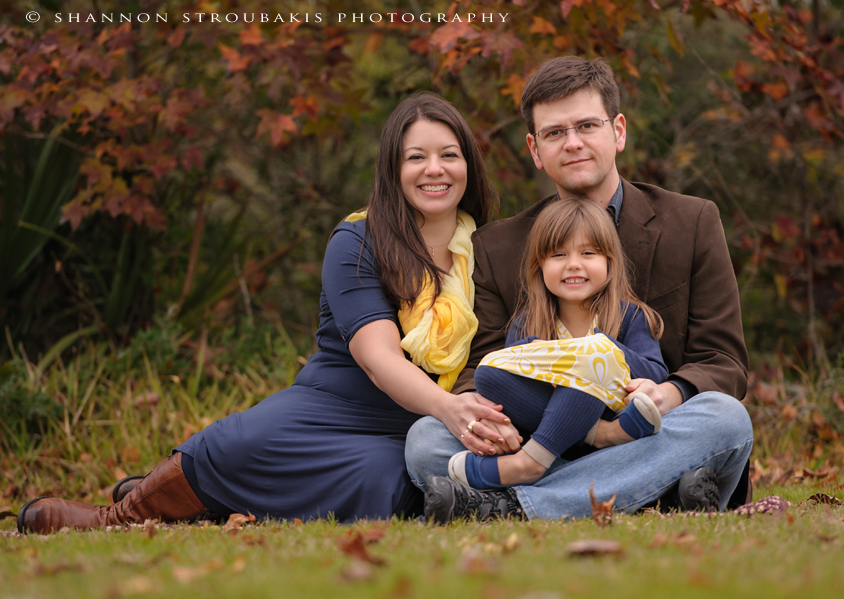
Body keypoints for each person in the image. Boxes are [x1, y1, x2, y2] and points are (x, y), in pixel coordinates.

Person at [17, 91, 507, 534]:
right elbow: (378, 359)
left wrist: (458, 413)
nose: (434, 169)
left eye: (449, 155)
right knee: (239, 442)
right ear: (392, 170)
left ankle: (212, 502)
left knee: (385, 484)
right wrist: (450, 408)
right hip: (335, 404)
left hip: (416, 424)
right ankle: (121, 515)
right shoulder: (358, 240)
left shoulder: (491, 249)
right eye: (415, 157)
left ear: (469, 165)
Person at [404, 56, 754, 522]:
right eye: (554, 133)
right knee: (427, 439)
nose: (572, 143)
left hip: (648, 428)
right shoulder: (499, 246)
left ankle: (511, 505)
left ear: (618, 131)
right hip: (539, 432)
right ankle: (656, 493)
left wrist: (668, 393)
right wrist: (480, 417)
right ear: (534, 149)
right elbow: (484, 362)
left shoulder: (691, 221)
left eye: (587, 125)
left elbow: (723, 362)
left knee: (725, 419)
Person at [449, 197, 668, 491]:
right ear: (540, 266)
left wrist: (599, 350)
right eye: (559, 255)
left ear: (609, 262)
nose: (574, 265)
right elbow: (512, 389)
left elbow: (656, 373)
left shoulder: (631, 316)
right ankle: (602, 434)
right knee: (486, 372)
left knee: (591, 360)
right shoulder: (527, 324)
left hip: (614, 424)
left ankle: (528, 465)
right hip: (555, 435)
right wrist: (536, 349)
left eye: (588, 253)